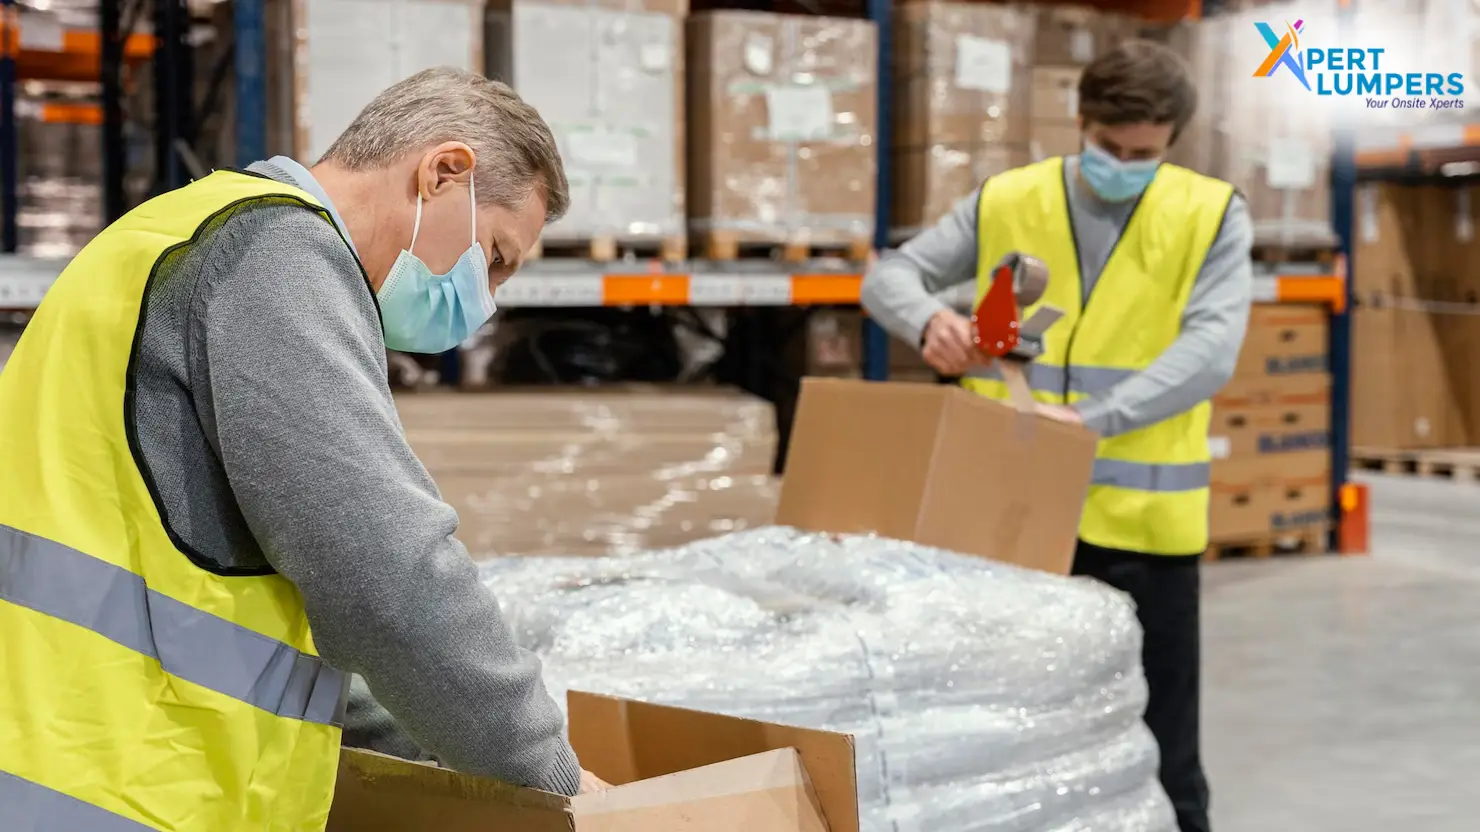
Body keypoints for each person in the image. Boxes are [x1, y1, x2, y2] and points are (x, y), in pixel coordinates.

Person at [0, 67, 608, 831]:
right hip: (131, 789)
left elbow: (269, 609)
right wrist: (550, 775)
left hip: (58, 762)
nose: (485, 303)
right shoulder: (274, 255)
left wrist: (431, 746)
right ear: (442, 173)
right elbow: (386, 579)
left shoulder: (174, 229)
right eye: (494, 257)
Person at [861, 40, 1252, 832]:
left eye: (1143, 154)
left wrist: (1096, 423)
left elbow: (1210, 350)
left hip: (1143, 530)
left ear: (1171, 142)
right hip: (1008, 522)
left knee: (1166, 750)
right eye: (1109, 147)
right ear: (1080, 122)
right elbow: (886, 275)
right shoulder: (1009, 199)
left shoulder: (1209, 214)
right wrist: (931, 319)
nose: (1123, 163)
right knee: (1003, 729)